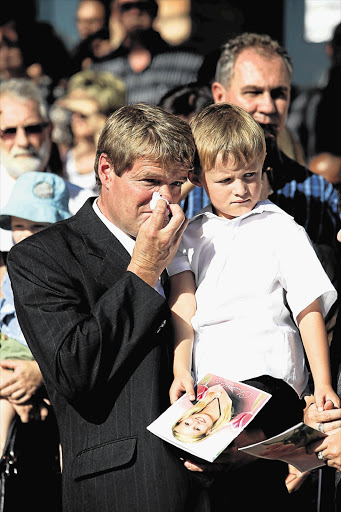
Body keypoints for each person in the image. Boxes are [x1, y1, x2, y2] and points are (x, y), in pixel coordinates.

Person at [6, 103, 210, 512]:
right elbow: (76, 371)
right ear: (105, 170)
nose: (164, 200)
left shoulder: (200, 239)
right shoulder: (42, 256)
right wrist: (145, 269)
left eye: (175, 184)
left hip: (224, 479)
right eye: (150, 181)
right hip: (125, 486)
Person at [168, 101, 339, 413]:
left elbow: (307, 306)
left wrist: (323, 382)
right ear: (197, 178)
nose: (241, 189)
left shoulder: (282, 229)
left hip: (271, 372)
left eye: (250, 174)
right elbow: (183, 304)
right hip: (211, 378)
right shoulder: (189, 235)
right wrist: (181, 368)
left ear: (264, 165)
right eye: (226, 180)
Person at [0, 171, 71, 457]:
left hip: (53, 362)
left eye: (39, 226)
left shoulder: (70, 273)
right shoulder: (9, 273)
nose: (26, 235)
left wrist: (41, 375)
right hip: (11, 359)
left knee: (72, 429)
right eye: (19, 225)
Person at [0, 78, 93, 256]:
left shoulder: (84, 205)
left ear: (49, 130)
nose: (23, 141)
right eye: (9, 131)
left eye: (32, 128)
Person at [92, 0, 204, 105]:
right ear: (116, 14)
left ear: (155, 10)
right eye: (127, 7)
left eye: (142, 5)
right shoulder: (101, 70)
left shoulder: (189, 63)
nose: (135, 11)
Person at [56, 69, 126, 192]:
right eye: (72, 111)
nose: (76, 117)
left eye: (83, 113)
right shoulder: (63, 156)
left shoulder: (118, 156)